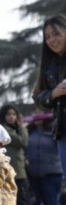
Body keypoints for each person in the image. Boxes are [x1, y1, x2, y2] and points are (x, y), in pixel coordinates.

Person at [0, 104, 34, 205]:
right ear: (3, 116)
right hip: (6, 173)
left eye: (13, 114)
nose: (11, 117)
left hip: (20, 173)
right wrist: (22, 127)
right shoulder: (2, 131)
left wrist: (20, 127)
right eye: (8, 114)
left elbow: (22, 145)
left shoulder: (16, 129)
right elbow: (22, 142)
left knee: (26, 203)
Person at [33, 14, 66, 174]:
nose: (52, 40)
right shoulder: (49, 66)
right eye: (47, 37)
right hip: (63, 132)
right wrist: (53, 94)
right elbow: (37, 98)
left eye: (57, 34)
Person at [24, 110, 61, 205]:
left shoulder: (53, 132)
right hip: (33, 176)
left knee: (51, 204)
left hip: (52, 175)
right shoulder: (29, 133)